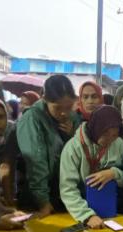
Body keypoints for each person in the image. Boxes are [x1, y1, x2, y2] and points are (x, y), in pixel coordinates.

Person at [16, 74, 81, 215]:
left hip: (65, 194)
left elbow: (79, 152)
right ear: (45, 99)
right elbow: (36, 162)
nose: (64, 113)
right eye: (57, 108)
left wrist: (72, 135)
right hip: (38, 196)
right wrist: (43, 201)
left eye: (69, 107)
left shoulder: (73, 118)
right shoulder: (32, 118)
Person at [59, 106, 123, 228]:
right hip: (80, 213)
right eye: (105, 133)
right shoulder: (73, 148)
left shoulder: (119, 144)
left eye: (114, 135)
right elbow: (68, 189)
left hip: (111, 212)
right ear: (96, 128)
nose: (109, 140)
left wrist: (114, 173)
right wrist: (87, 216)